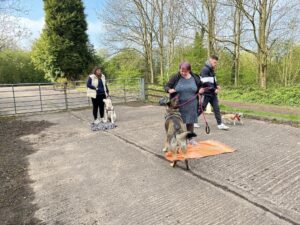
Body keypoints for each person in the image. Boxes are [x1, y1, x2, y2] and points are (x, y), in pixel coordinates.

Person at [165, 62, 202, 144]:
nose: (183, 73)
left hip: (191, 104)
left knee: (190, 121)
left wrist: (200, 90)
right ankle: (177, 139)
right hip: (178, 104)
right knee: (177, 122)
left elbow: (201, 86)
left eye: (185, 71)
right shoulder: (175, 77)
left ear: (189, 70)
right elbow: (166, 86)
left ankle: (190, 138)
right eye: (182, 71)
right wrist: (169, 90)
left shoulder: (195, 77)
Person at [198, 55, 229, 130]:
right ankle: (192, 121)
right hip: (206, 93)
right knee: (201, 108)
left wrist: (217, 85)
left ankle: (220, 124)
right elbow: (205, 83)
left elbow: (214, 80)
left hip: (212, 94)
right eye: (214, 62)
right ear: (210, 60)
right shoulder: (204, 70)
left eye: (216, 63)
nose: (215, 64)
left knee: (216, 108)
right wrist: (213, 89)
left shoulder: (212, 70)